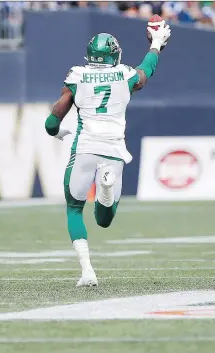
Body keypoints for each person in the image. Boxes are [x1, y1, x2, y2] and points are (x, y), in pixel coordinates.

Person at [43, 22, 172, 287]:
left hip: (85, 147)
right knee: (104, 219)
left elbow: (52, 121)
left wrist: (57, 131)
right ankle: (104, 190)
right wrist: (156, 45)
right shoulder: (125, 74)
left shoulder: (77, 75)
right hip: (113, 150)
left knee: (74, 208)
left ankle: (87, 271)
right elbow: (145, 72)